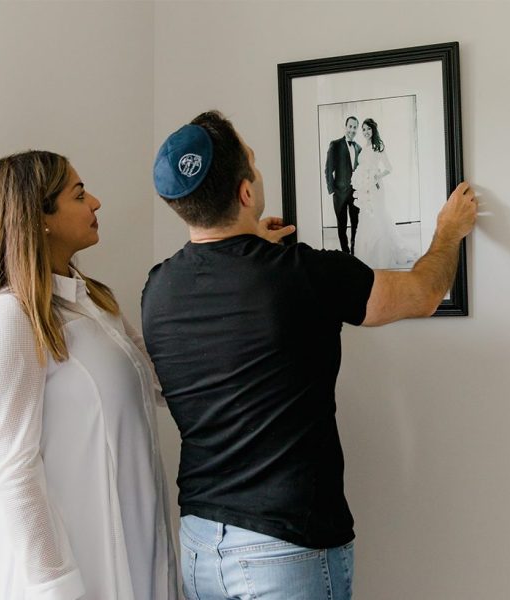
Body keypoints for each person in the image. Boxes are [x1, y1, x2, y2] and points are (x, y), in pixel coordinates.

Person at [142, 111, 477, 600]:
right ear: (245, 194)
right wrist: (449, 232)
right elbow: (424, 293)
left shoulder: (158, 288)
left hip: (200, 544)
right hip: (285, 544)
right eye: (252, 165)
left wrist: (252, 240)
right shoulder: (303, 275)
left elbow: (224, 275)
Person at [0, 151, 179, 600]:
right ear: (39, 217)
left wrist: (234, 255)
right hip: (66, 565)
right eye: (79, 195)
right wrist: (56, 586)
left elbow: (162, 385)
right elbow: (13, 469)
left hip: (133, 538)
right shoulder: (8, 320)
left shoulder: (95, 301)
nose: (95, 202)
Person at [351, 117, 417, 269]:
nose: (366, 132)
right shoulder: (364, 147)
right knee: (366, 216)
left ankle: (382, 254)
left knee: (378, 215)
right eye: (364, 129)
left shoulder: (377, 146)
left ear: (373, 130)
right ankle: (365, 255)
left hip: (376, 187)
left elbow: (389, 168)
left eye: (368, 129)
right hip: (365, 189)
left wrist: (376, 176)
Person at [325, 116, 362, 254]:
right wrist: (332, 190)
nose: (352, 130)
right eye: (350, 126)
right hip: (339, 194)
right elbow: (328, 169)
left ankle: (354, 250)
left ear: (357, 129)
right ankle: (346, 253)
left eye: (355, 127)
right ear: (346, 127)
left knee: (355, 224)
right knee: (341, 226)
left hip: (356, 194)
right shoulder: (335, 144)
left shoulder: (359, 148)